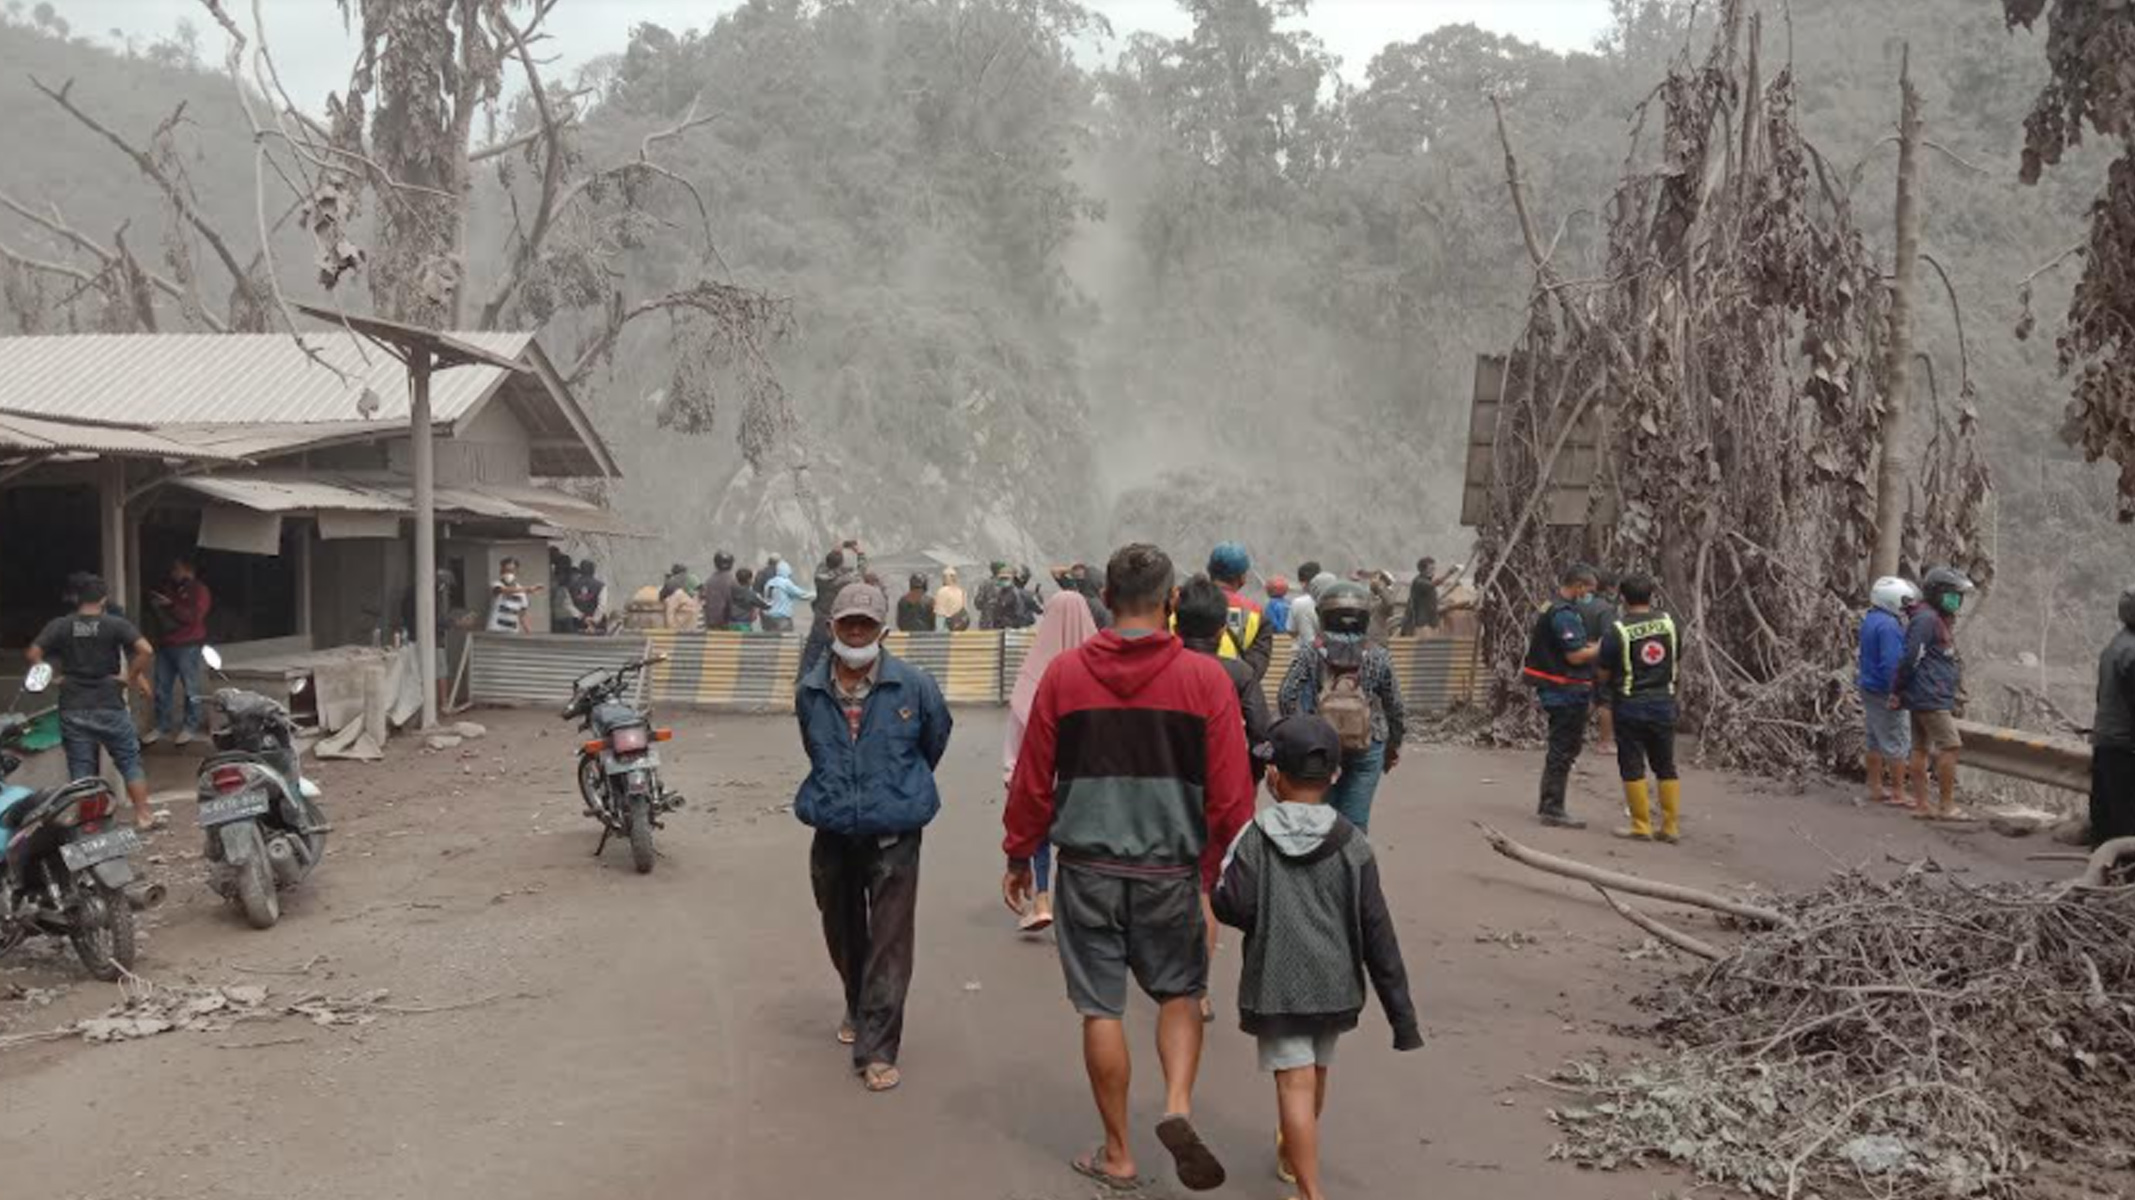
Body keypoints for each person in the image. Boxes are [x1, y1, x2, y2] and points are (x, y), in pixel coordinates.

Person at [1002, 543, 1255, 1193]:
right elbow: (1230, 795)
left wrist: (1017, 853)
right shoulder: (1206, 682)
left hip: (1085, 870)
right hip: (1171, 872)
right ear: (1171, 603)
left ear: (1107, 601)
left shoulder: (1063, 676)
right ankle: (1174, 1105)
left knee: (1100, 1009)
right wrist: (1223, 867)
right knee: (1178, 994)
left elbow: (1033, 780)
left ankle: (1117, 1153)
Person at [1211, 714, 1423, 1200]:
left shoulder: (1254, 837)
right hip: (1334, 984)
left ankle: (1311, 1191)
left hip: (1276, 986)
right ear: (1334, 777)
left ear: (1272, 776)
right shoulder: (1353, 842)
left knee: (1295, 1084)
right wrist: (1402, 1018)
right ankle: (1293, 1155)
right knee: (1316, 1071)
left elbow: (1231, 904)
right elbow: (1378, 933)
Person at [794, 583, 953, 1094]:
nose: (857, 632)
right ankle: (856, 1000)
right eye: (848, 624)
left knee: (889, 943)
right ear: (831, 628)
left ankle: (878, 1047)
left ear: (884, 630)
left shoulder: (914, 686)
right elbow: (813, 747)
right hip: (833, 828)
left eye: (866, 623)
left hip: (894, 831)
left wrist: (896, 785)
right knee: (843, 933)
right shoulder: (811, 690)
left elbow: (935, 739)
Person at [1177, 575, 1276, 1022]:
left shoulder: (1161, 670)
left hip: (1161, 794)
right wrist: (1248, 780)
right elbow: (1261, 736)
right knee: (1203, 888)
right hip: (1218, 796)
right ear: (1221, 630)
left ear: (1176, 624)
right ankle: (1196, 988)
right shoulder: (1238, 674)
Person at [1003, 590, 1102, 933]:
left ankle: (1042, 899)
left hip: (1043, 776)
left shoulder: (1034, 672)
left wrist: (1012, 771)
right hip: (1089, 780)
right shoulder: (1103, 671)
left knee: (1040, 833)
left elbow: (1017, 725)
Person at [27, 575, 158, 830]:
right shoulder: (115, 624)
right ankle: (143, 815)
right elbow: (146, 650)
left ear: (77, 599)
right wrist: (129, 677)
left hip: (74, 704)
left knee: (81, 766)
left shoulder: (61, 625)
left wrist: (52, 678)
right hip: (109, 703)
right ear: (103, 599)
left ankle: (89, 823)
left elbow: (33, 653)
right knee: (129, 761)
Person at [1278, 581, 1406, 833]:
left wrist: (1300, 734)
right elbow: (1395, 706)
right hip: (1369, 744)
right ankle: (1354, 868)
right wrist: (1393, 744)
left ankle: (1321, 869)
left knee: (1320, 819)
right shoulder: (1378, 654)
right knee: (1355, 824)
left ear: (1323, 615)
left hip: (1321, 745)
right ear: (1365, 617)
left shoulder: (1310, 652)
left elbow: (1286, 695)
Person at [1597, 573, 1683, 843]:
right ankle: (1670, 827)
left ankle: (1641, 825)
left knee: (1632, 764)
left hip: (1630, 706)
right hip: (1664, 704)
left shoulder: (1618, 629)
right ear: (1652, 595)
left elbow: (1603, 672)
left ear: (1623, 598)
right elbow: (1675, 657)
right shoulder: (1669, 624)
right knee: (1665, 765)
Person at [1524, 564, 1601, 829]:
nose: (1589, 596)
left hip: (1558, 689)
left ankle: (1550, 803)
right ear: (1579, 586)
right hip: (1565, 691)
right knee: (1563, 748)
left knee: (1563, 747)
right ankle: (1553, 807)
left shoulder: (1550, 606)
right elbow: (1574, 655)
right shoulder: (1564, 614)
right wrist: (1603, 647)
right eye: (1588, 590)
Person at [1899, 566, 1974, 821]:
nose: (1958, 601)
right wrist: (1898, 689)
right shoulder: (1927, 620)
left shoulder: (1932, 618)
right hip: (1930, 695)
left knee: (1919, 748)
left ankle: (1922, 805)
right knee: (1951, 746)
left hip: (1925, 693)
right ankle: (1946, 806)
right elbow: (1910, 657)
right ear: (1937, 593)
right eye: (1953, 595)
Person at [1859, 576, 1918, 808]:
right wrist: (1897, 691)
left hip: (1868, 686)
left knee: (1874, 739)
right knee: (1897, 741)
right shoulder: (1889, 626)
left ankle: (1874, 787)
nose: (1906, 606)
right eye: (1903, 601)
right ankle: (1898, 792)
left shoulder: (1872, 619)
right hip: (1884, 690)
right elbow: (1891, 664)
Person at [143, 554, 212, 747]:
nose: (173, 573)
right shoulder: (171, 589)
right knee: (161, 688)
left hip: (188, 644)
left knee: (191, 687)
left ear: (187, 569)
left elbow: (194, 616)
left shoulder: (199, 590)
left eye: (177, 569)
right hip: (166, 643)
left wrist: (171, 605)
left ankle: (190, 726)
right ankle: (162, 725)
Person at [2090, 585, 2135, 847]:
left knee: (2104, 811)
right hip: (2126, 745)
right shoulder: (2131, 652)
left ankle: (2099, 866)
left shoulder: (2115, 645)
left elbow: (2101, 694)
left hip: (2105, 738)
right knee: (2126, 816)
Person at [1202, 542, 1274, 683]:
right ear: (1242, 578)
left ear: (1209, 571)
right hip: (1232, 692)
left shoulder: (1182, 603)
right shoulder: (1255, 613)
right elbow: (1256, 669)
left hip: (1188, 686)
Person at [802, 546, 863, 678]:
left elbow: (823, 565)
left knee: (811, 654)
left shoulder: (819, 577)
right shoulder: (847, 579)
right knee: (837, 654)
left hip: (820, 619)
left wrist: (836, 551)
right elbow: (860, 571)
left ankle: (802, 681)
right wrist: (859, 553)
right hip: (837, 621)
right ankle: (835, 680)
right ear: (841, 564)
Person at [1580, 570, 1621, 754]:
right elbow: (1608, 637)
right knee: (1605, 700)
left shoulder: (1577, 603)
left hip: (1578, 655)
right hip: (1598, 657)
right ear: (1609, 588)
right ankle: (1605, 742)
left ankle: (1570, 736)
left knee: (1588, 698)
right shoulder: (1605, 608)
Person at [1401, 558, 1462, 637]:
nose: (1434, 571)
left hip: (1431, 622)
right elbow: (1433, 584)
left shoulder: (1426, 583)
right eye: (1431, 568)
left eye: (1434, 568)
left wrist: (1444, 603)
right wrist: (1449, 573)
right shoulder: (1419, 581)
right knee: (1426, 646)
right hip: (1422, 623)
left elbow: (1430, 601)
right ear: (1423, 569)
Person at [488, 557, 541, 633]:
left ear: (516, 572)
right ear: (501, 571)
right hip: (496, 629)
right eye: (506, 570)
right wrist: (527, 589)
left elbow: (523, 615)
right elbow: (503, 590)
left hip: (512, 630)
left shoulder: (521, 591)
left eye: (511, 571)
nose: (508, 573)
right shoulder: (496, 584)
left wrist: (529, 632)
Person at [763, 560, 813, 634]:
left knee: (772, 641)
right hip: (782, 617)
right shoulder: (786, 583)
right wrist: (816, 594)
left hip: (768, 617)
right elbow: (802, 595)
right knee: (785, 641)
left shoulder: (769, 582)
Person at [564, 559, 610, 633]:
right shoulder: (601, 586)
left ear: (580, 571)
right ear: (593, 571)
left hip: (578, 624)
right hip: (597, 627)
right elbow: (602, 605)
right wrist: (594, 620)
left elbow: (568, 605)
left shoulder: (571, 586)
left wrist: (582, 617)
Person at [699, 552, 739, 634]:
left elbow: (703, 601)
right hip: (727, 624)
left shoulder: (709, 581)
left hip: (711, 622)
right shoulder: (733, 581)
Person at [1288, 562, 1325, 644]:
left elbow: (1291, 632)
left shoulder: (1298, 602)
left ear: (1303, 583)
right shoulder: (1333, 600)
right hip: (1333, 652)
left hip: (1304, 652)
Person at [935, 566, 970, 632]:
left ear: (945, 578)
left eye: (943, 577)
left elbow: (940, 616)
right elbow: (965, 612)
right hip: (960, 629)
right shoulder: (962, 592)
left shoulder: (942, 591)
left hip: (947, 629)